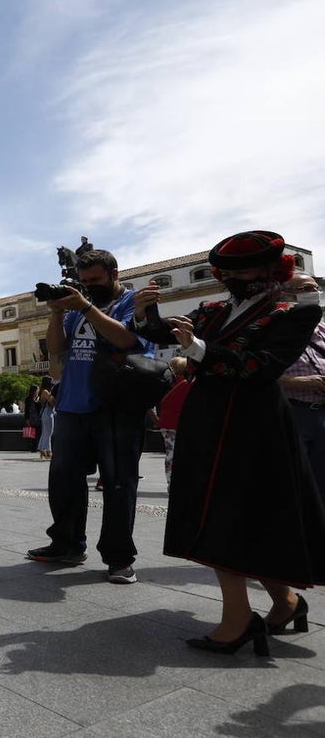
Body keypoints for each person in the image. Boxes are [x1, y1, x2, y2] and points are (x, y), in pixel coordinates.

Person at [132, 231, 325, 654]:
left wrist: (197, 349)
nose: (236, 278)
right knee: (233, 510)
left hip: (254, 424)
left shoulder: (292, 314)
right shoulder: (215, 309)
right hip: (209, 417)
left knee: (236, 511)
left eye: (247, 270)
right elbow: (169, 334)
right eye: (229, 272)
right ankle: (286, 601)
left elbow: (261, 366)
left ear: (274, 271)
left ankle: (238, 619)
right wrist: (147, 314)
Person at [26, 248, 155, 585]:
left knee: (118, 484)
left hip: (118, 406)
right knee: (64, 481)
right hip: (72, 404)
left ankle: (119, 558)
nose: (89, 286)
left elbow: (127, 339)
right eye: (84, 282)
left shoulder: (133, 302)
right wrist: (56, 313)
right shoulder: (76, 308)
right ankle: (66, 544)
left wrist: (85, 306)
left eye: (95, 280)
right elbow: (56, 349)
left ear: (114, 273)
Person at [277, 272, 325, 497]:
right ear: (287, 294)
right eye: (305, 289)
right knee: (297, 485)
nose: (314, 293)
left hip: (321, 414)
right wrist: (296, 382)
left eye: (315, 288)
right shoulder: (274, 330)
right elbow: (253, 372)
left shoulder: (322, 329)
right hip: (294, 413)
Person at [156, 357, 191, 486]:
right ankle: (176, 482)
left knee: (170, 454)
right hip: (178, 424)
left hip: (166, 424)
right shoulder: (187, 385)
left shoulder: (167, 383)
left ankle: (171, 481)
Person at [37, 376, 56, 460]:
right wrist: (53, 394)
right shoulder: (45, 392)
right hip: (48, 413)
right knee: (49, 433)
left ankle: (42, 450)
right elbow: (51, 402)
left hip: (46, 413)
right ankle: (48, 451)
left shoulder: (43, 391)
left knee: (45, 432)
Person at [22, 385, 42, 453]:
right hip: (31, 418)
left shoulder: (39, 398)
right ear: (34, 390)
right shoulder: (28, 399)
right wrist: (27, 419)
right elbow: (26, 410)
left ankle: (37, 447)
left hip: (38, 418)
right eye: (37, 390)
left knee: (38, 433)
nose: (38, 391)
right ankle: (33, 448)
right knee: (32, 435)